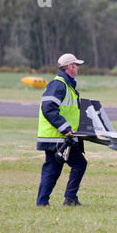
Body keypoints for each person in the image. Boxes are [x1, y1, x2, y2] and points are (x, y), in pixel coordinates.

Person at [36, 53, 87, 207]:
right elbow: (48, 108)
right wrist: (66, 129)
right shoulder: (59, 85)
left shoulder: (66, 85)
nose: (78, 67)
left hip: (60, 137)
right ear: (70, 66)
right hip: (58, 137)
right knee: (75, 165)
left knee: (54, 169)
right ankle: (69, 199)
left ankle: (44, 202)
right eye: (76, 64)